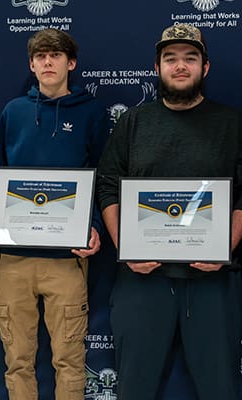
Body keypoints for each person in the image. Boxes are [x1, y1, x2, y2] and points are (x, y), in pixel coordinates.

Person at [97, 23, 242, 400]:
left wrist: (224, 246)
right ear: (157, 67)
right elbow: (109, 186)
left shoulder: (233, 123)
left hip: (212, 282)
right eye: (171, 59)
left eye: (190, 58)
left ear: (204, 68)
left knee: (220, 389)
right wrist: (128, 247)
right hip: (143, 280)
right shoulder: (133, 122)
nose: (180, 66)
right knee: (135, 389)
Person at [0, 28, 109, 400]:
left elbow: (101, 177)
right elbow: (0, 174)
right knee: (17, 360)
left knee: (69, 359)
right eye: (41, 56)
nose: (48, 62)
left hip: (67, 259)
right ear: (31, 64)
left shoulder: (91, 114)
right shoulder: (13, 112)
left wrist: (94, 226)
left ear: (71, 63)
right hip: (14, 257)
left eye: (56, 55)